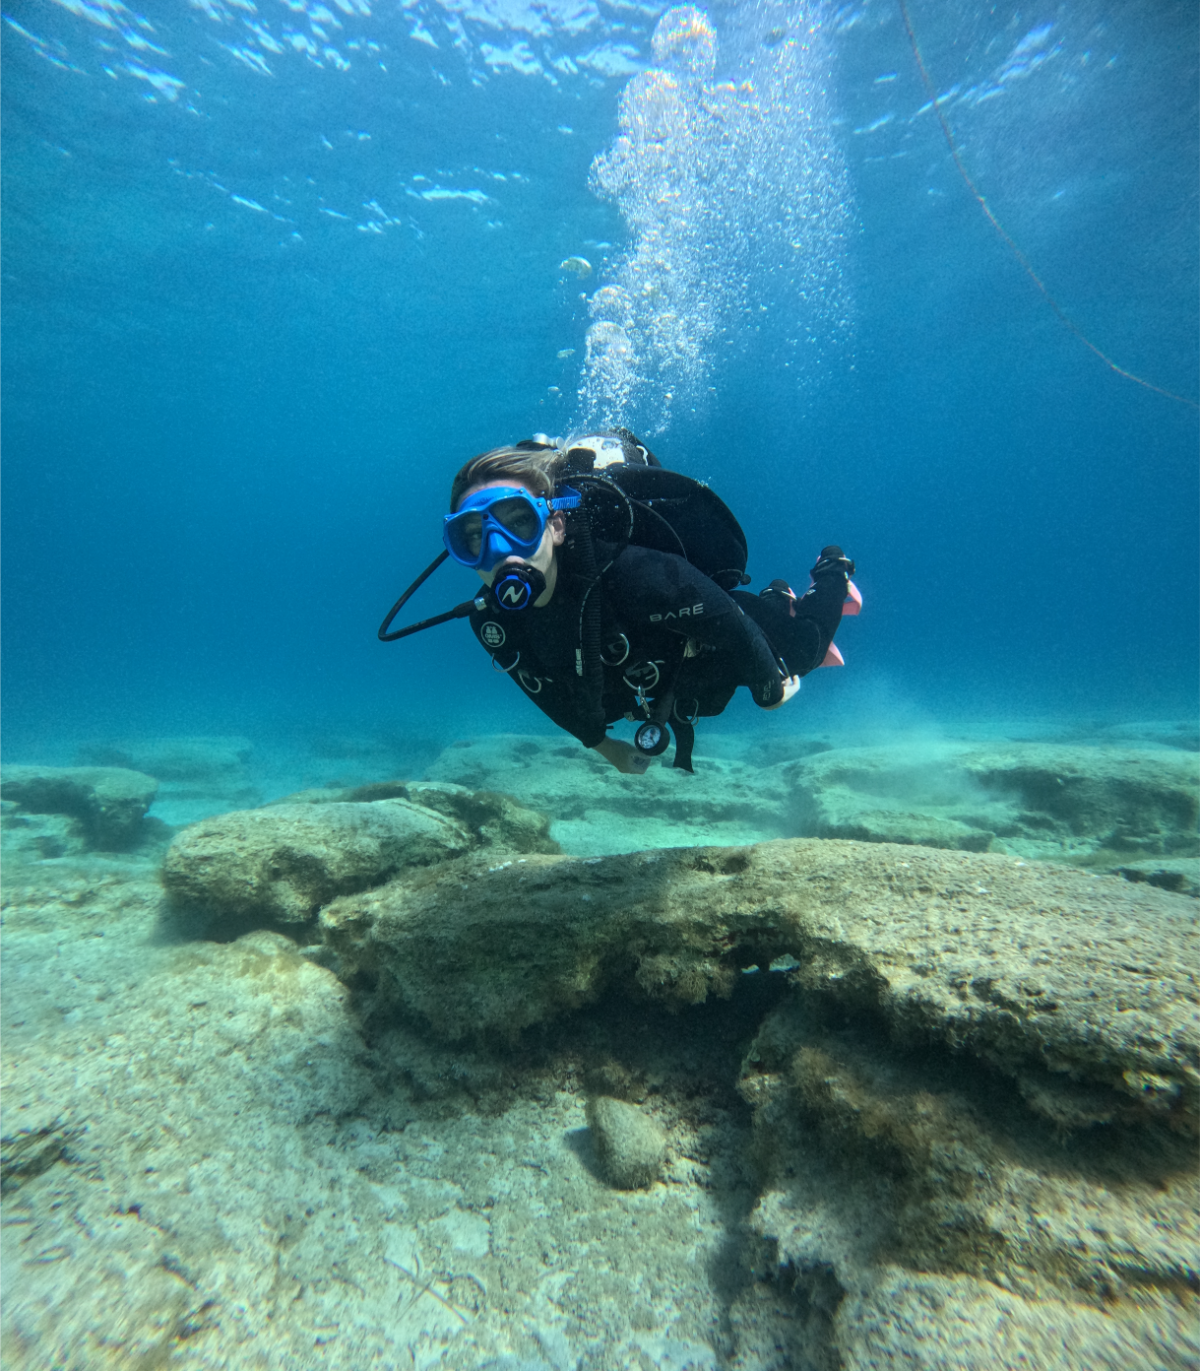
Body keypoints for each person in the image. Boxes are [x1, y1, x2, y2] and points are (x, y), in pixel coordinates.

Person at [433, 432, 860, 775]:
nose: (498, 549)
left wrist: (769, 686)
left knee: (806, 649)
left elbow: (728, 621)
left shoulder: (635, 573)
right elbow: (546, 696)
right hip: (655, 685)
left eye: (519, 522)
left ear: (557, 524)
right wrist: (604, 748)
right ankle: (775, 599)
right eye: (472, 537)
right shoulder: (492, 621)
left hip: (709, 640)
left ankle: (832, 570)